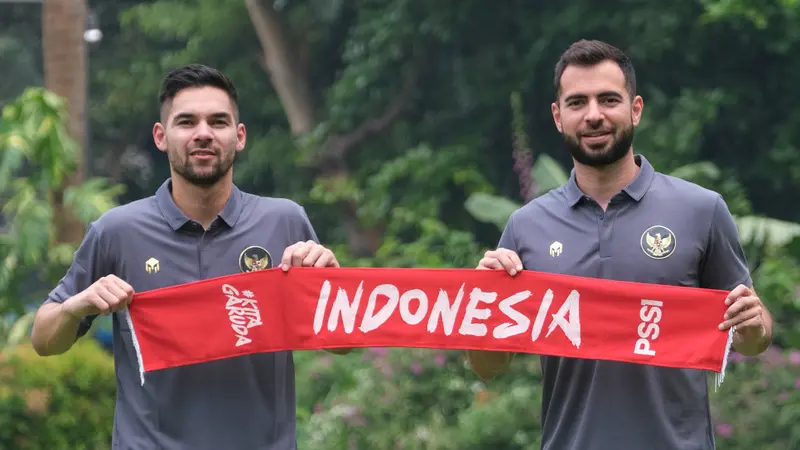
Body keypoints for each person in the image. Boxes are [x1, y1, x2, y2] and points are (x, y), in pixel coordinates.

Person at [466, 40, 773, 450]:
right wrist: (483, 302)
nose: (594, 115)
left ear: (636, 109)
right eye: (577, 103)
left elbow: (752, 337)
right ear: (558, 117)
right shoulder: (527, 226)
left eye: (608, 99)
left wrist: (755, 324)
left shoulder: (701, 210)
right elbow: (488, 367)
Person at [30, 64, 347, 450]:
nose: (203, 134)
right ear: (161, 137)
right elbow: (44, 340)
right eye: (186, 122)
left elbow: (344, 343)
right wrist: (74, 308)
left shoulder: (284, 221)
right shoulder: (117, 230)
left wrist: (331, 282)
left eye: (218, 122)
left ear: (239, 136)